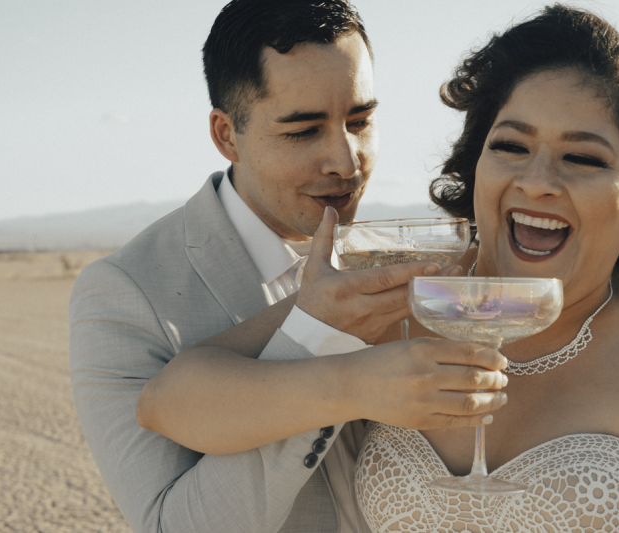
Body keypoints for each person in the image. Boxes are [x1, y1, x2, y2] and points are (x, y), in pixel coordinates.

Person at [137, 4, 619, 533]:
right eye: (512, 146)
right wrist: (355, 383)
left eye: (583, 158)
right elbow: (168, 402)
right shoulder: (414, 292)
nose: (538, 180)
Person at [70, 1, 508, 532]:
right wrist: (317, 337)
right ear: (226, 135)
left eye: (360, 120)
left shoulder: (407, 260)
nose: (346, 163)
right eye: (303, 131)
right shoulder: (126, 293)